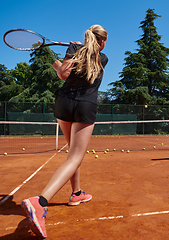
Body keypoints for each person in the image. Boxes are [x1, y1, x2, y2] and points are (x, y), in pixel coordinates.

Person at [21, 25, 108, 239]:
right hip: (84, 106)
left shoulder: (78, 52)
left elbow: (62, 74)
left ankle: (76, 194)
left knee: (72, 155)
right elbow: (68, 73)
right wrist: (72, 53)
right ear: (102, 41)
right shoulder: (102, 57)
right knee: (75, 157)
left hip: (63, 104)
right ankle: (40, 202)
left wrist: (67, 55)